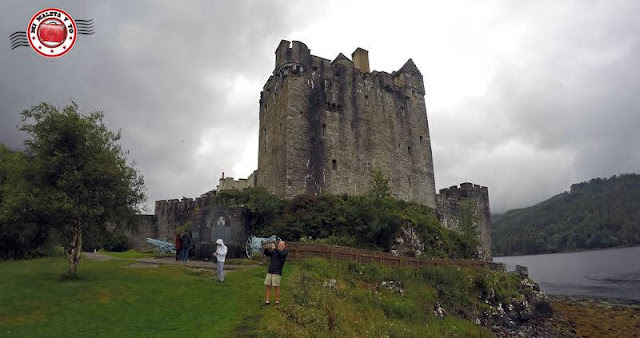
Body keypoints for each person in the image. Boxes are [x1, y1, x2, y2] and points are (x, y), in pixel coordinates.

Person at [264, 240, 288, 305]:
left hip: (277, 272)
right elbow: (267, 254)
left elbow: (280, 254)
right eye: (279, 244)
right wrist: (266, 249)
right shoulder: (274, 252)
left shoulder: (284, 252)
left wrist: (275, 249)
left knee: (276, 286)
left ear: (283, 246)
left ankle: (277, 301)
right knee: (268, 285)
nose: (279, 245)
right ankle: (267, 301)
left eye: (280, 244)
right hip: (270, 271)